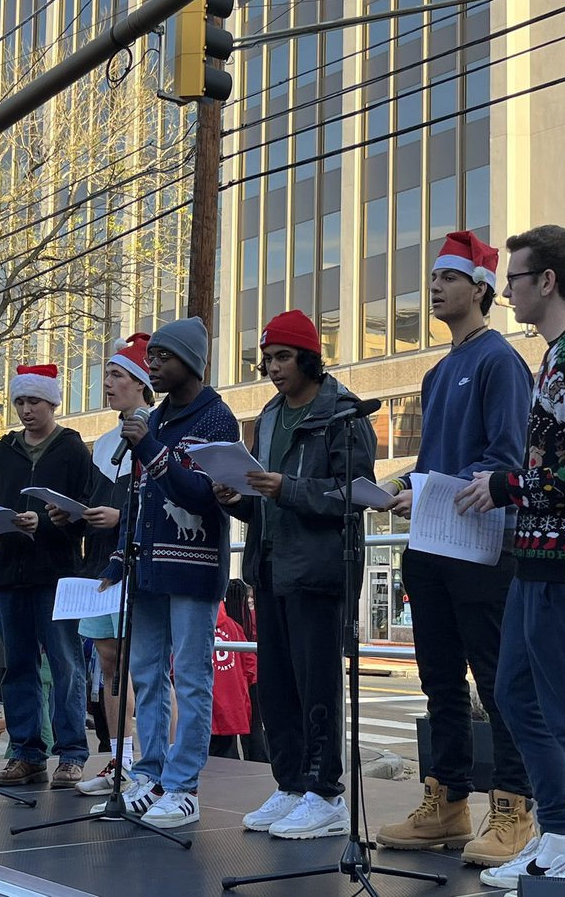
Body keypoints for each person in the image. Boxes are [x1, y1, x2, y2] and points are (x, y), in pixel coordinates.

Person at [453, 225, 565, 893]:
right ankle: (554, 837)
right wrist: (507, 487)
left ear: (546, 281)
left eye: (516, 279)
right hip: (540, 557)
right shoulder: (559, 358)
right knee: (515, 693)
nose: (508, 292)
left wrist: (504, 485)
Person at [375, 231, 535, 865]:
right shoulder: (436, 372)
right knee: (439, 679)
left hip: (484, 547)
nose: (434, 287)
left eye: (447, 277)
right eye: (434, 277)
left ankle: (515, 807)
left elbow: (506, 457)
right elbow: (433, 462)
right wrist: (397, 485)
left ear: (482, 288)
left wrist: (427, 492)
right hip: (432, 546)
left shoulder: (501, 361)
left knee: (497, 680)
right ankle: (446, 802)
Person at [215, 309, 374, 840]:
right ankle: (289, 785)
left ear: (309, 357)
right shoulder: (269, 415)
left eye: (283, 357)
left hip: (319, 570)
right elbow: (264, 499)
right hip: (270, 567)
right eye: (267, 359)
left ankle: (325, 793)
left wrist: (288, 489)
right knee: (278, 685)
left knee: (316, 683)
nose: (274, 368)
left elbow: (356, 494)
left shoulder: (343, 413)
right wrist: (237, 498)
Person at [94, 316, 239, 828]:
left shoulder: (217, 419)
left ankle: (184, 787)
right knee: (146, 674)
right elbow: (139, 498)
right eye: (150, 356)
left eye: (162, 357)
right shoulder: (153, 420)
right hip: (148, 569)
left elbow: (202, 496)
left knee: (191, 678)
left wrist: (151, 450)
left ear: (191, 363)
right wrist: (119, 558)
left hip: (194, 571)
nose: (152, 364)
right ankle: (148, 775)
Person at [0, 363, 93, 789]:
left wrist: (44, 522)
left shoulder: (73, 449)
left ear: (52, 403)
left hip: (56, 574)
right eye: (20, 402)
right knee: (18, 666)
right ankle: (26, 753)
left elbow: (86, 514)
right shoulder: (3, 450)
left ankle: (71, 754)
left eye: (34, 402)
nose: (26, 410)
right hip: (9, 573)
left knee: (65, 664)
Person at [48, 334, 153, 796]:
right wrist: (72, 515)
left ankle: (158, 768)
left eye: (116, 375)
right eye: (106, 374)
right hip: (100, 568)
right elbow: (95, 500)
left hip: (138, 566)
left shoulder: (158, 432)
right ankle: (119, 761)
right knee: (109, 662)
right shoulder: (106, 442)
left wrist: (120, 517)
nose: (106, 383)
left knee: (144, 667)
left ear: (141, 382)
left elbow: (161, 502)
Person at [223, 580, 268, 763]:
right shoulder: (253, 618)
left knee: (229, 726)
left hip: (232, 679)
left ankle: (231, 758)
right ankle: (258, 761)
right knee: (255, 727)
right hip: (254, 675)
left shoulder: (226, 624)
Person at [209, 588, 256, 760]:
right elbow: (250, 665)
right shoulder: (234, 626)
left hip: (205, 703)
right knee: (229, 758)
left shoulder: (194, 627)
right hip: (232, 702)